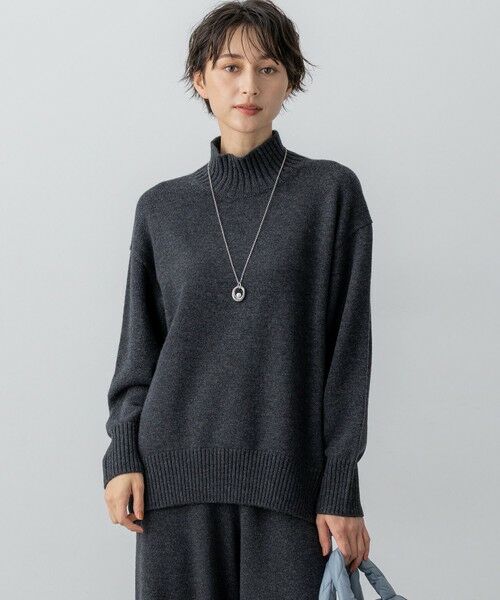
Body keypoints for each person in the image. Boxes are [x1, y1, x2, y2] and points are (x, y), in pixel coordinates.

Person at [102, 1, 373, 598]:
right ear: (200, 79)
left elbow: (348, 354)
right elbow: (138, 351)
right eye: (230, 67)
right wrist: (122, 454)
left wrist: (340, 486)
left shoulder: (331, 194)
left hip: (289, 484)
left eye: (268, 68)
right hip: (172, 484)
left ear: (289, 82)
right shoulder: (161, 208)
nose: (249, 85)